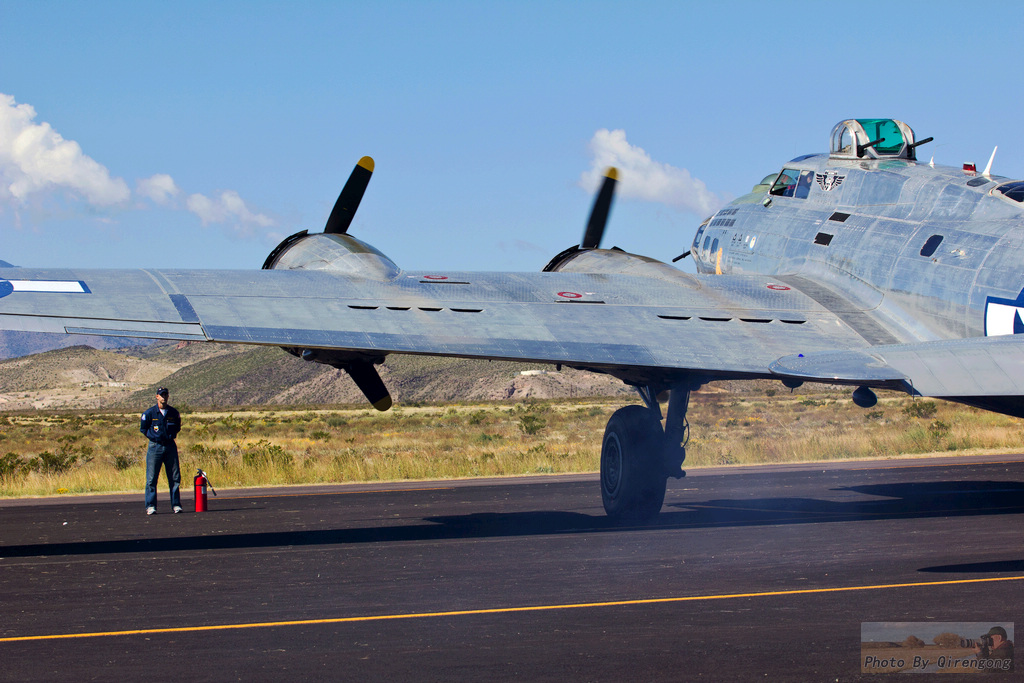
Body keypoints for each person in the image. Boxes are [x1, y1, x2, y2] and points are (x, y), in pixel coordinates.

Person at [140, 387, 182, 514]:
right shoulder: (149, 413)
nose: (163, 397)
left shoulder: (173, 413)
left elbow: (177, 427)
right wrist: (154, 437)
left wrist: (169, 437)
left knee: (174, 478)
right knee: (151, 479)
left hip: (170, 446)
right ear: (157, 396)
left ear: (168, 396)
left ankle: (176, 505)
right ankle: (151, 506)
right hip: (155, 447)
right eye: (161, 395)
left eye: (165, 395)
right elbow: (144, 429)